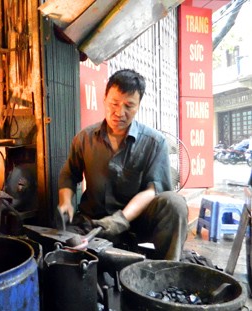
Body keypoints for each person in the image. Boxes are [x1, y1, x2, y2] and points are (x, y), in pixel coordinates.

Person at [57, 69, 188, 261]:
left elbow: (153, 190)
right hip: (94, 221)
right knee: (58, 247)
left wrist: (122, 219)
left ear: (139, 106)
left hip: (136, 221)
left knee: (175, 204)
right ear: (104, 99)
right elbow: (69, 175)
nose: (120, 112)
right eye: (114, 103)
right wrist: (65, 201)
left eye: (129, 106)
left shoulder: (154, 142)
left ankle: (166, 273)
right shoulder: (84, 139)